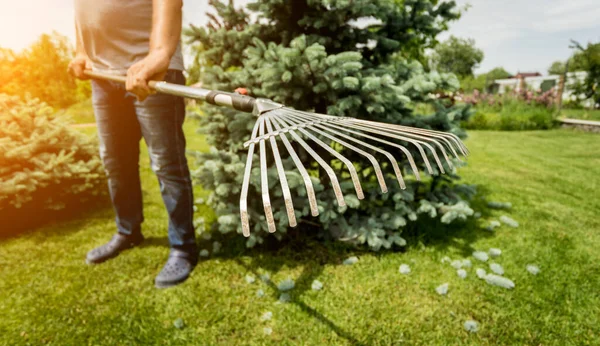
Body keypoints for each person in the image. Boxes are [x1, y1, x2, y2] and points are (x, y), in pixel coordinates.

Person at [68, 0, 197, 289]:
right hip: (102, 75)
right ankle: (128, 231)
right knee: (115, 161)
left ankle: (183, 246)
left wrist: (161, 53)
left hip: (151, 71)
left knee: (166, 164)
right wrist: (81, 52)